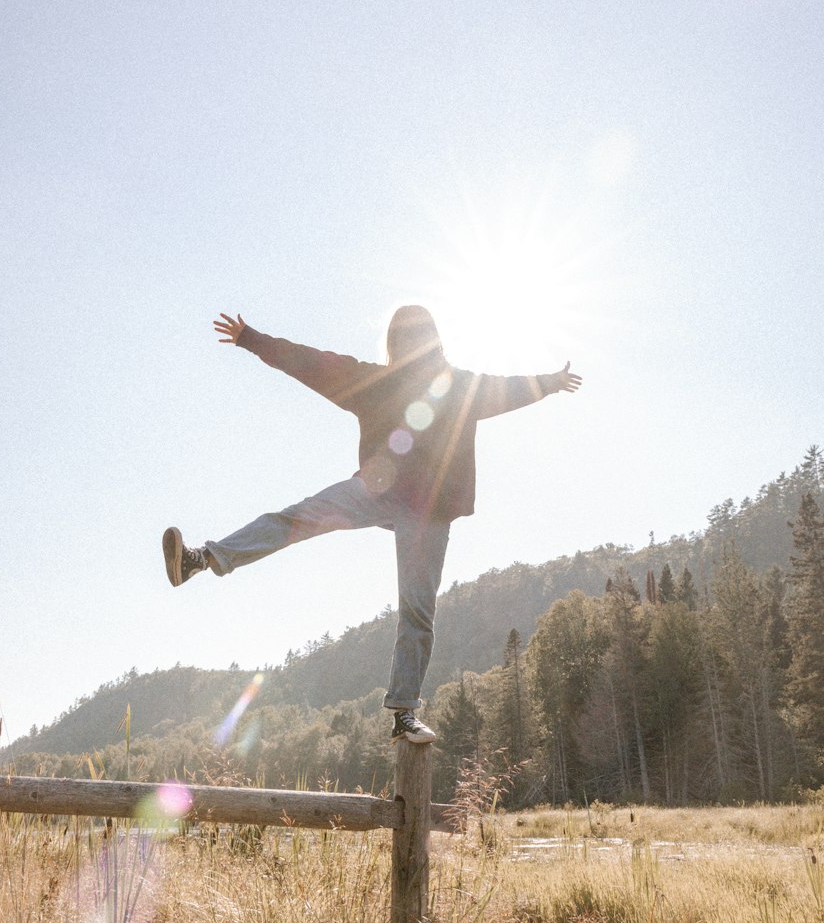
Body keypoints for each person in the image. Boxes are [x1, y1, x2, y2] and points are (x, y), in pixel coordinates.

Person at [163, 305, 581, 744]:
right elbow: (308, 363)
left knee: (417, 609)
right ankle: (201, 559)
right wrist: (252, 339)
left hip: (425, 511)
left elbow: (506, 390)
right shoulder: (385, 381)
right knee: (301, 518)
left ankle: (404, 711)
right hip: (379, 492)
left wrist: (547, 383)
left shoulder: (456, 385)